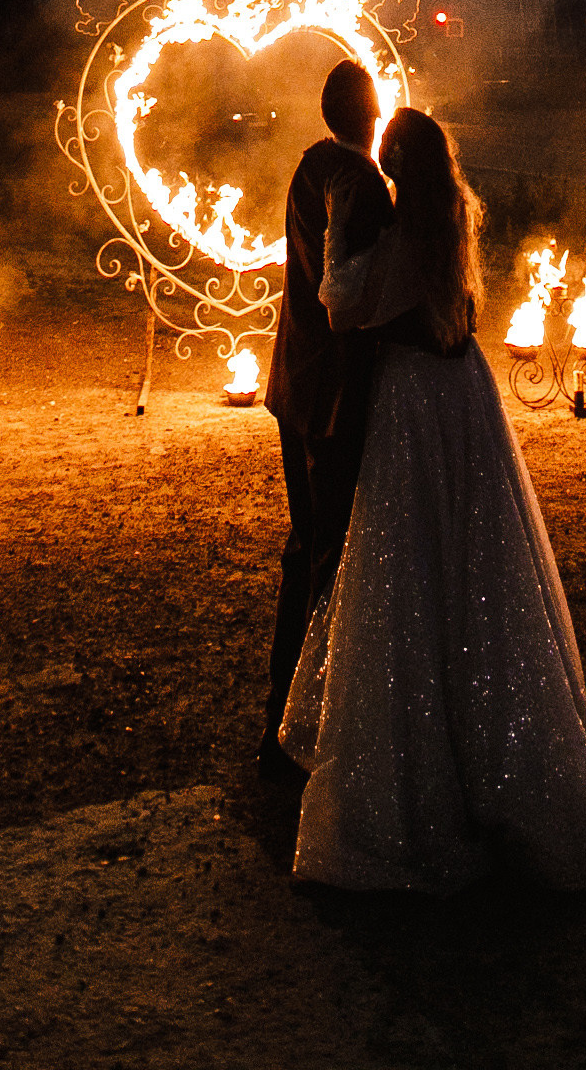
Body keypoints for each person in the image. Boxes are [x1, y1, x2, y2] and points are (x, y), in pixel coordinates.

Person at [279, 107, 586, 894]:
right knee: (478, 551)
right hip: (464, 392)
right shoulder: (452, 223)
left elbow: (341, 304)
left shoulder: (401, 241)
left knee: (409, 559)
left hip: (414, 400)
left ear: (395, 164)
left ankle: (431, 766)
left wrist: (338, 231)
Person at [259, 56, 393, 780]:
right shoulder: (358, 182)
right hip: (334, 395)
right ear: (370, 116)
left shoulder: (309, 166)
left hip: (294, 383)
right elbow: (349, 296)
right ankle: (299, 728)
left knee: (305, 545)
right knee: (327, 557)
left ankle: (284, 706)